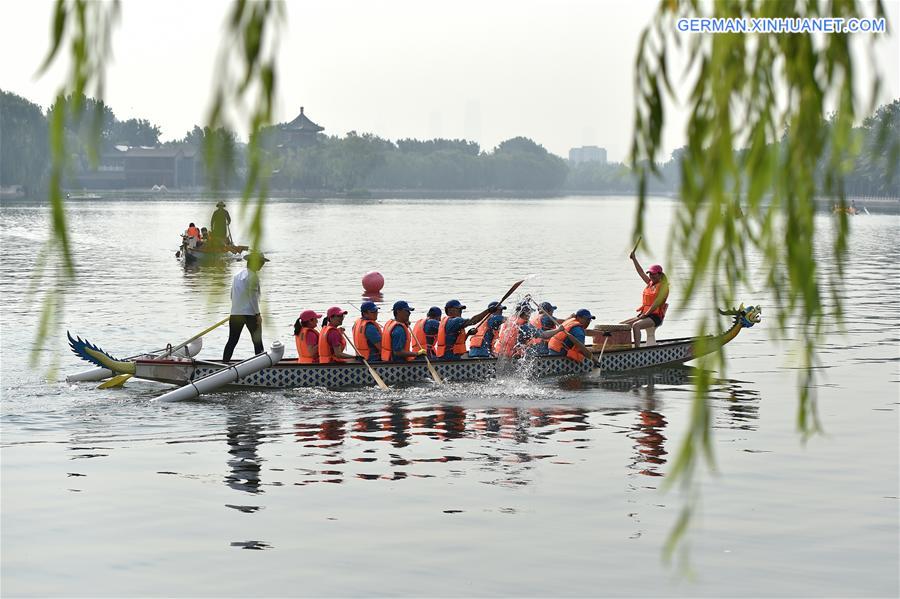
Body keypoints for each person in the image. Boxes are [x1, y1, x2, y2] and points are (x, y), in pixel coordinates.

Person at [222, 251, 269, 361]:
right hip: (250, 314)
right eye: (261, 263)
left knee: (232, 341)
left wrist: (235, 309)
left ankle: (224, 364)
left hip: (235, 313)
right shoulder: (253, 277)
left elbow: (232, 294)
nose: (262, 265)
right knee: (257, 341)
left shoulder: (237, 275)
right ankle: (260, 365)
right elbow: (253, 298)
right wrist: (258, 314)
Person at [623, 250, 670, 348]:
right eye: (650, 274)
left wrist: (644, 315)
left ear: (660, 274)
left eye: (653, 274)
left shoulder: (663, 287)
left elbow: (656, 304)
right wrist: (634, 259)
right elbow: (640, 272)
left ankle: (637, 350)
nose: (651, 276)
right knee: (621, 326)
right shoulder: (650, 283)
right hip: (645, 315)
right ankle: (623, 347)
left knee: (636, 326)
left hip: (655, 317)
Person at [496, 302, 564, 357]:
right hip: (509, 356)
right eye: (529, 313)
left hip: (498, 351)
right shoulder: (524, 327)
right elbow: (544, 335)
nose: (530, 315)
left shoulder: (509, 320)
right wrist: (558, 330)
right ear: (525, 313)